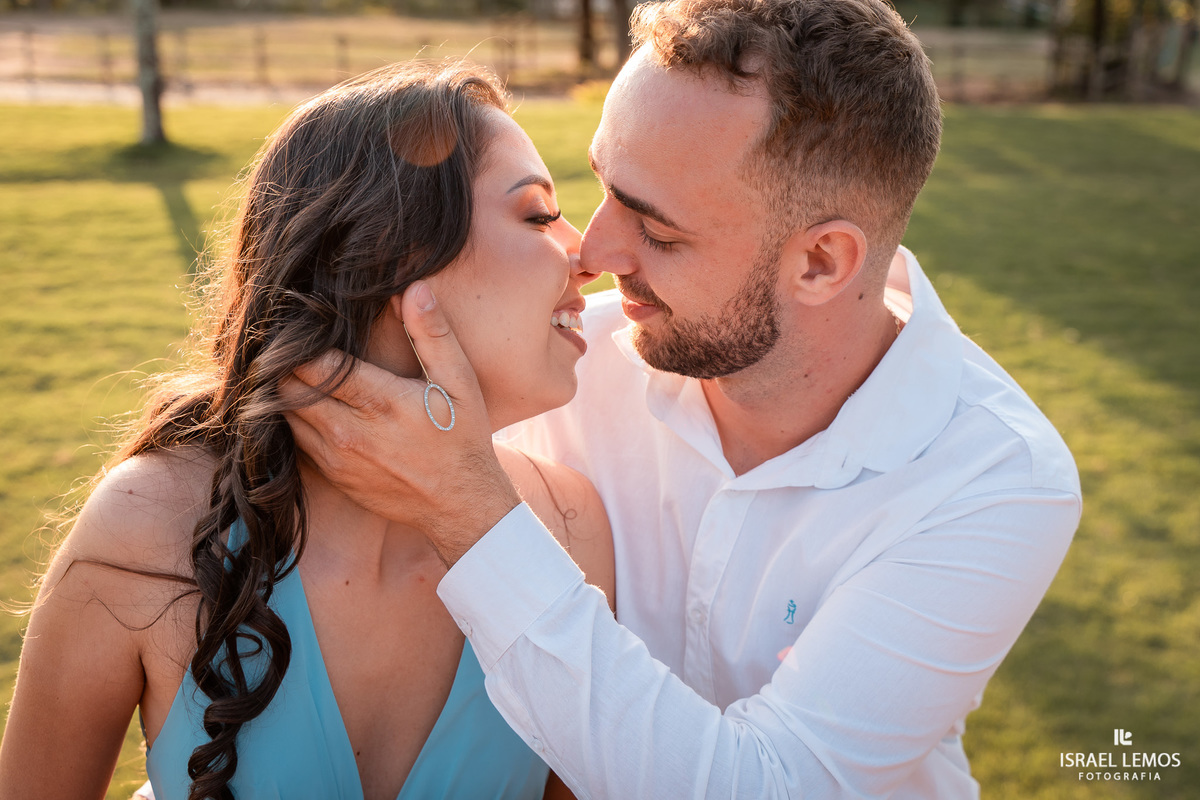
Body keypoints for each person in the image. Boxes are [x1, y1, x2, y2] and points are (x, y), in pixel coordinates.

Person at [282, 0, 1083, 798]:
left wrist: (470, 514)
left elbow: (768, 787)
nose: (593, 253)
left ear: (821, 264)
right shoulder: (552, 365)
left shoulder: (993, 476)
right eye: (602, 185)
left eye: (659, 233)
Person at [0, 60, 614, 800]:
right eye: (539, 215)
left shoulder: (573, 532)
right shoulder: (149, 530)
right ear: (392, 258)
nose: (586, 257)